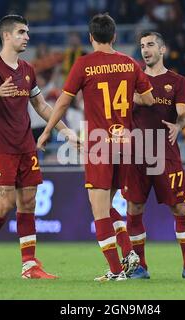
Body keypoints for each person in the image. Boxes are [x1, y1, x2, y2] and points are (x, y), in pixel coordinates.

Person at [37, 13, 155, 281]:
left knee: (99, 210)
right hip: (124, 142)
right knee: (110, 205)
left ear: (91, 38)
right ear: (114, 36)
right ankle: (129, 253)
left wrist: (46, 131)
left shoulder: (84, 65)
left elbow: (64, 102)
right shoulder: (129, 63)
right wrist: (124, 96)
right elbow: (148, 99)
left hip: (99, 144)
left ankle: (116, 271)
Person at [0, 14, 74, 280]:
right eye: (21, 32)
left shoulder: (28, 70)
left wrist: (64, 130)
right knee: (6, 203)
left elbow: (41, 105)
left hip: (25, 145)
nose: (27, 37)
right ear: (7, 35)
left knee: (28, 202)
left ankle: (29, 265)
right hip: (1, 146)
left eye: (27, 32)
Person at [121, 31, 185, 280]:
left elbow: (183, 112)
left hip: (166, 152)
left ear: (162, 50)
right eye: (142, 46)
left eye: (150, 45)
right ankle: (140, 267)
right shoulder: (130, 81)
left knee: (179, 207)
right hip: (136, 153)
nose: (145, 50)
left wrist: (179, 124)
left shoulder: (177, 81)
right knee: (134, 207)